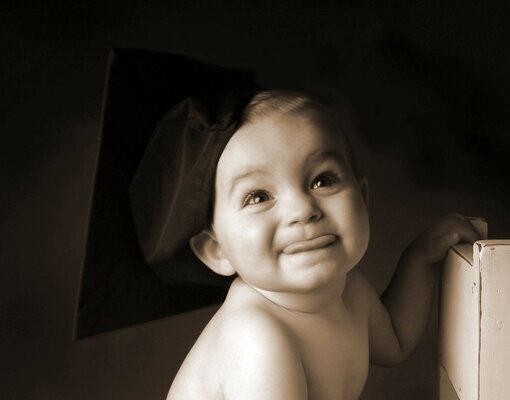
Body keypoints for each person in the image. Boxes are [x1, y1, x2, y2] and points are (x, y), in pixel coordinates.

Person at [163, 90, 480, 399]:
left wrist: (421, 257)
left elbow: (394, 340)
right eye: (258, 197)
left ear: (362, 199)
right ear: (216, 250)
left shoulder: (349, 288)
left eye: (323, 180)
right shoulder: (257, 338)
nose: (302, 209)